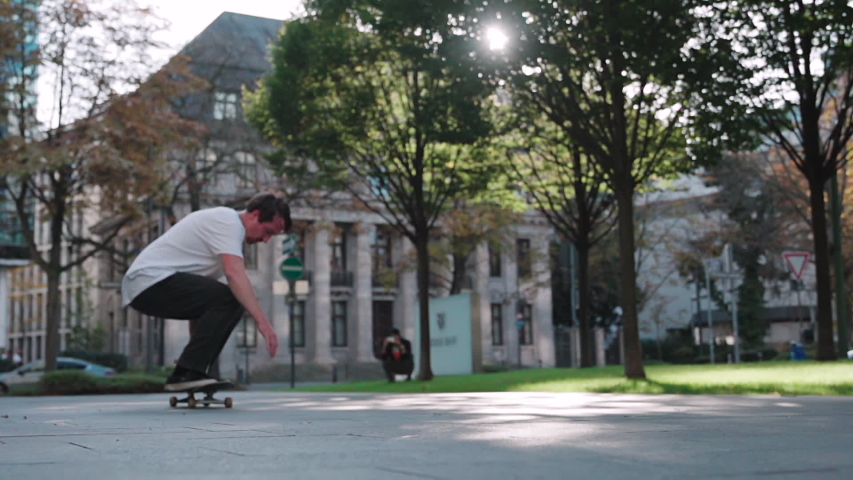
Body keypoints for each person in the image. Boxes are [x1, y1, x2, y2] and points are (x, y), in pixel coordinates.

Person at [121, 192, 291, 391]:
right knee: (232, 298)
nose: (266, 240)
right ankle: (187, 373)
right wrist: (263, 323)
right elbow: (235, 275)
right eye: (268, 231)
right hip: (149, 282)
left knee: (225, 300)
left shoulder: (225, 237)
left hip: (147, 287)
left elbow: (204, 306)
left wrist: (192, 352)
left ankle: (191, 373)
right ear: (255, 214)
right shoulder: (228, 222)